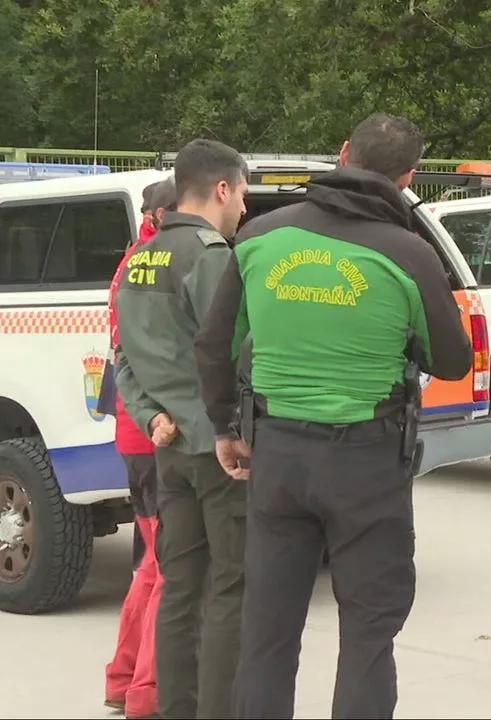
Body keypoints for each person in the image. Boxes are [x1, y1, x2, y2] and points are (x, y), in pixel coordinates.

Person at [193, 113, 473, 719]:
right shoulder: (409, 253)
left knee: (267, 636)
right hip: (368, 465)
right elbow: (452, 361)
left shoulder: (260, 237)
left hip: (277, 459)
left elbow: (214, 346)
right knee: (368, 637)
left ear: (343, 153)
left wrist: (225, 428)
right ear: (409, 178)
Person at [113, 139, 249, 719]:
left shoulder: (140, 257)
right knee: (230, 587)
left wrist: (151, 417)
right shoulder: (209, 253)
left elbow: (122, 357)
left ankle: (177, 709)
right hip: (219, 448)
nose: (245, 207)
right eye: (243, 193)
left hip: (169, 446)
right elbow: (236, 350)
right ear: (222, 189)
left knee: (180, 587)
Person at [104, 178, 177, 720]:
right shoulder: (160, 264)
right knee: (168, 568)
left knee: (151, 564)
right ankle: (145, 694)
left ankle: (123, 678)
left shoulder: (133, 263)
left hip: (135, 433)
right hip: (158, 435)